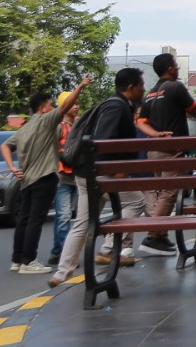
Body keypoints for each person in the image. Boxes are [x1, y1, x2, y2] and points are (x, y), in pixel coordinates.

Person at [51, 68, 146, 287]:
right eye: (140, 85)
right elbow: (103, 141)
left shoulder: (113, 104)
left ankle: (62, 272)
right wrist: (115, 169)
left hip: (87, 173)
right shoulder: (117, 106)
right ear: (130, 87)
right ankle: (110, 246)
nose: (143, 89)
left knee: (83, 222)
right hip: (101, 173)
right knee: (136, 201)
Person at [1, 83, 86, 274]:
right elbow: (65, 107)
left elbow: (5, 146)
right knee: (35, 220)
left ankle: (17, 259)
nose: (53, 109)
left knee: (24, 219)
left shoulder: (24, 128)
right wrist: (79, 87)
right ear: (42, 108)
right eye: (50, 105)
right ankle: (29, 261)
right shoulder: (46, 121)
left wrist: (13, 168)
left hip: (26, 180)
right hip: (44, 177)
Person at [136, 52, 196, 257]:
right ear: (170, 68)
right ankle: (153, 236)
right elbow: (194, 109)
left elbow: (141, 122)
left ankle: (161, 236)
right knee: (170, 193)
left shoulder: (150, 94)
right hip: (173, 150)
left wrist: (156, 135)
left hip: (153, 151)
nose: (177, 68)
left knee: (161, 192)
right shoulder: (176, 87)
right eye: (176, 66)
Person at [48, 90, 81, 266]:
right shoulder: (59, 126)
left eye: (77, 103)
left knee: (71, 217)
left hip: (77, 177)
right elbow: (53, 150)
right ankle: (64, 254)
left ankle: (57, 251)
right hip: (62, 177)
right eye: (72, 103)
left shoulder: (79, 124)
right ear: (64, 106)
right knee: (64, 216)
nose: (76, 106)